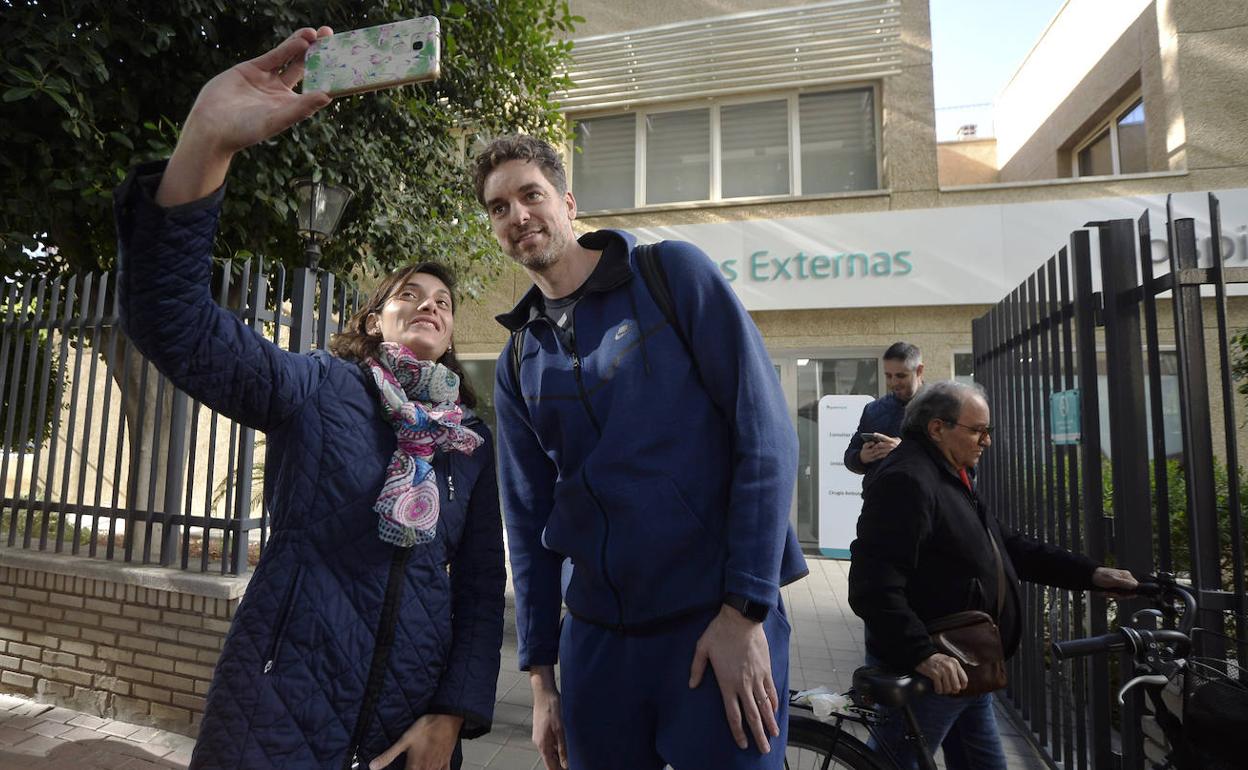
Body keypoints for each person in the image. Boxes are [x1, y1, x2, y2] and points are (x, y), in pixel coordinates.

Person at [113, 28, 504, 770]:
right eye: (409, 295)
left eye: (444, 302)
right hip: (275, 716)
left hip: (408, 735)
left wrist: (452, 717)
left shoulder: (467, 444)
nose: (429, 305)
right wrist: (208, 140)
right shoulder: (322, 387)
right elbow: (176, 324)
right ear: (372, 319)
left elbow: (483, 592)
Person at [475, 135, 808, 770]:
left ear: (568, 203)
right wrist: (542, 680)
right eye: (498, 207)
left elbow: (765, 437)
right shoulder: (517, 358)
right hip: (599, 643)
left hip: (712, 623)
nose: (517, 216)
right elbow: (527, 518)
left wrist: (745, 613)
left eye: (530, 195)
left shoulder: (671, 275)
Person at [847, 380, 1137, 770]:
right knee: (888, 764)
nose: (986, 441)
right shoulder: (909, 480)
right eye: (977, 430)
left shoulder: (950, 474)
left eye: (989, 431)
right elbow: (872, 584)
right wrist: (923, 654)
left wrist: (1091, 574)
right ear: (937, 428)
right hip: (938, 671)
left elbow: (1006, 546)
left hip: (972, 664)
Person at [843, 341, 924, 479]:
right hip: (878, 497)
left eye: (901, 376)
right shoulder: (873, 410)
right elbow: (850, 456)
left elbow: (953, 460)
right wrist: (861, 457)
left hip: (925, 498)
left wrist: (903, 451)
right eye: (888, 376)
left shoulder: (942, 407)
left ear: (919, 371)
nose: (893, 383)